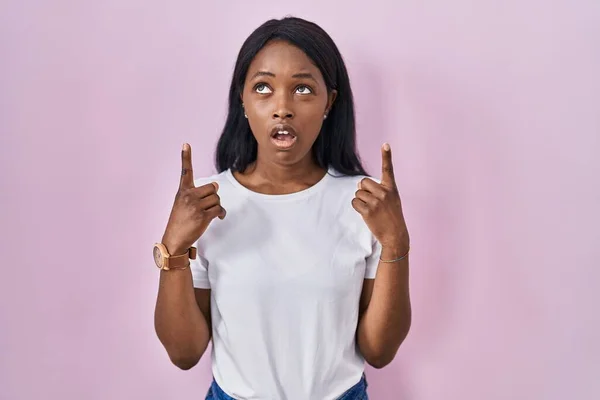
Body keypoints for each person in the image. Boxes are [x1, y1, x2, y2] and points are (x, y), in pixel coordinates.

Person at [153, 16, 411, 400]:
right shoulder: (205, 204)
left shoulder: (365, 205)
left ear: (330, 102)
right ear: (242, 98)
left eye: (303, 89)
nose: (282, 108)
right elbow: (184, 353)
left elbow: (379, 351)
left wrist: (396, 244)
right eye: (262, 87)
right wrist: (173, 247)